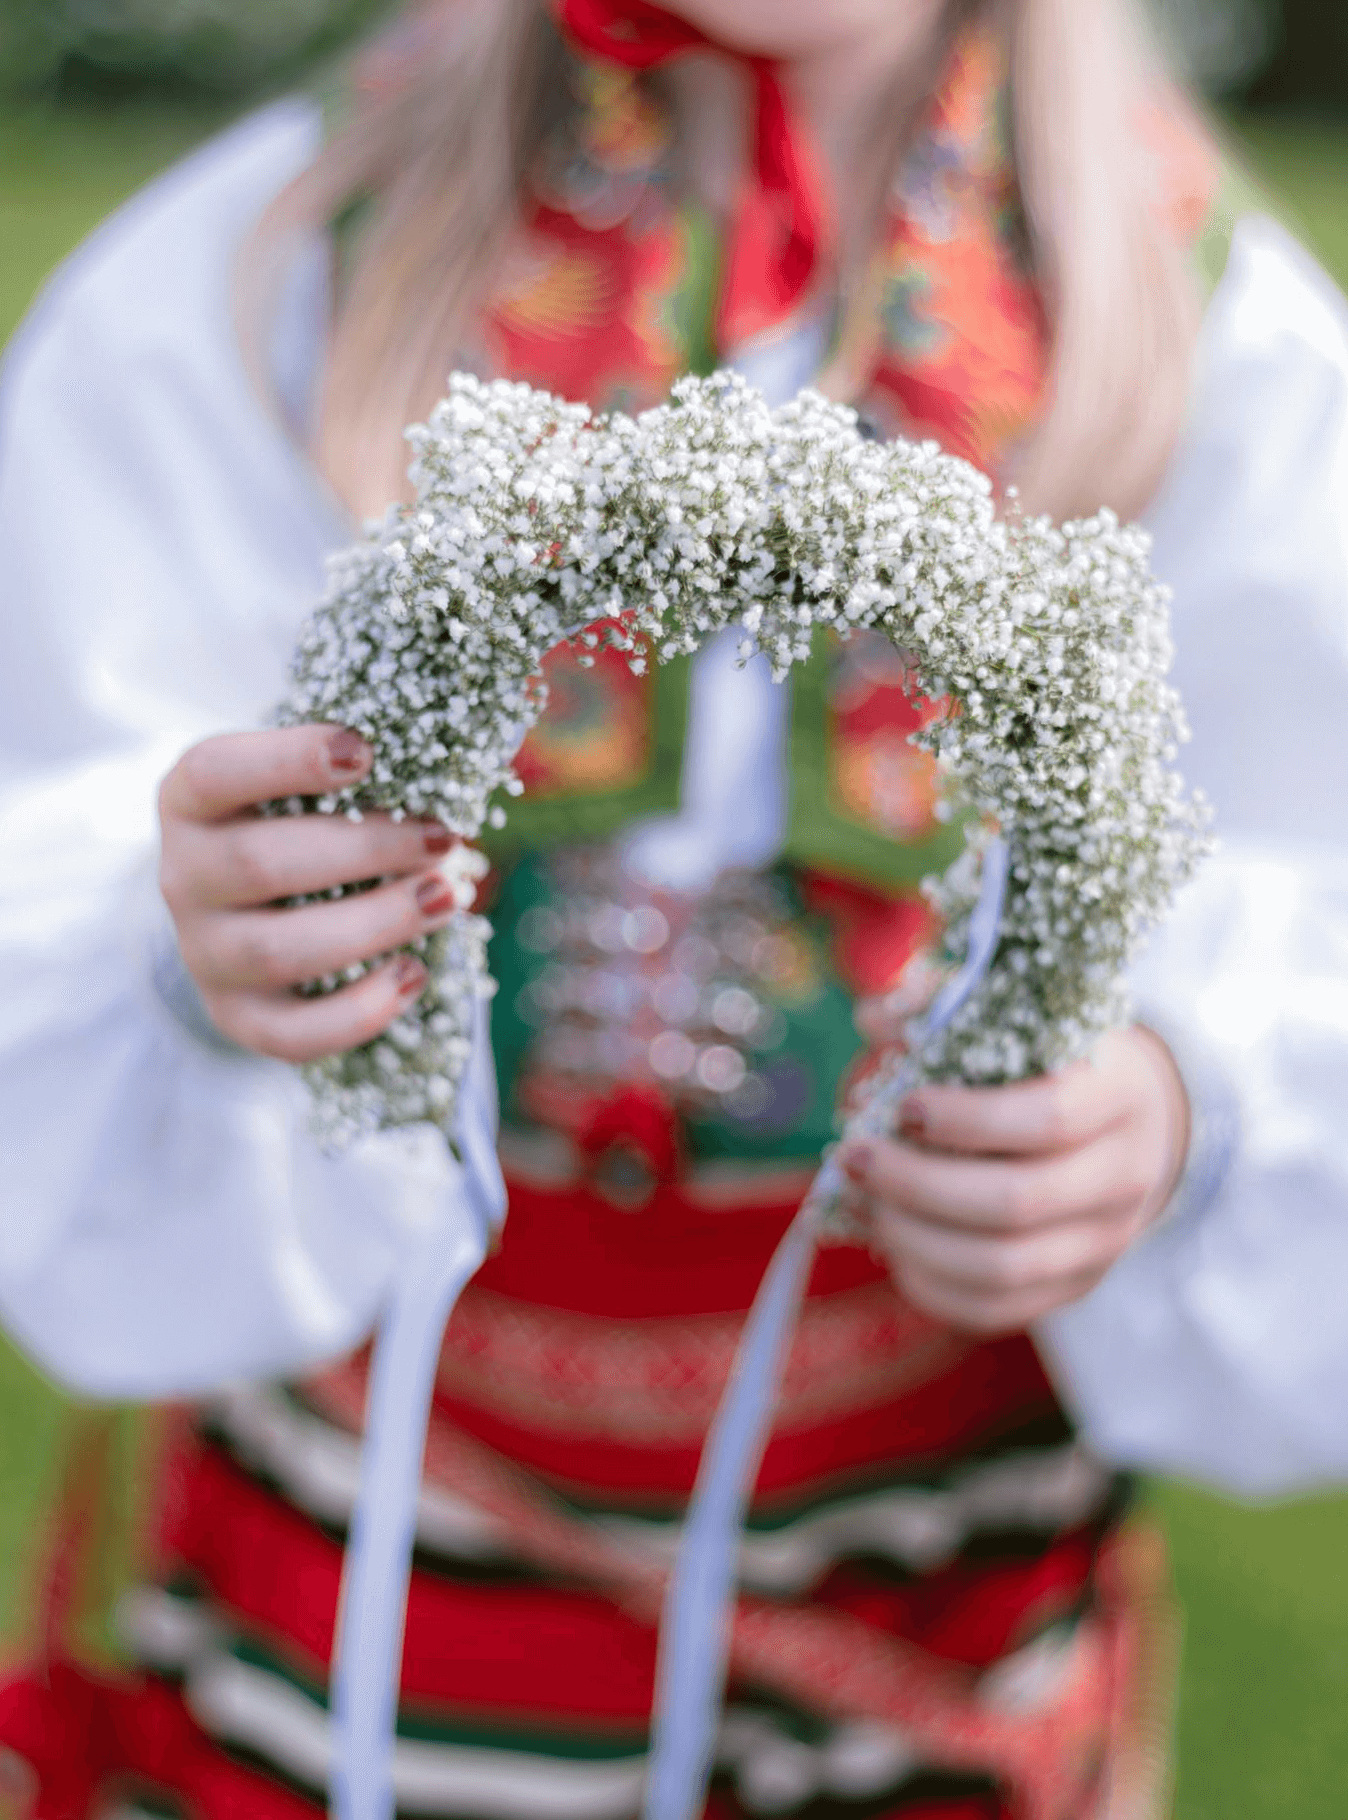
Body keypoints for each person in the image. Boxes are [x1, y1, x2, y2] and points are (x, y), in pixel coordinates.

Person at [0, 0, 1346, 1814]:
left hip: (924, 1592)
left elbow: (1304, 867)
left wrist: (1180, 1103)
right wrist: (197, 936)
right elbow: (69, 774)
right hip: (386, 1574)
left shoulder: (1201, 330)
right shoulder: (280, 268)